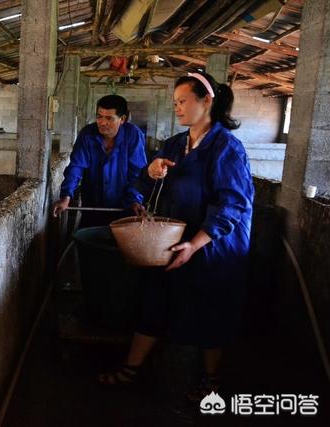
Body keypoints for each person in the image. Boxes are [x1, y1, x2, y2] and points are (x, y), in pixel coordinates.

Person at [98, 72, 254, 400]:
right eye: (174, 103)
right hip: (171, 241)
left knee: (210, 310)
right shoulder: (174, 144)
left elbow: (232, 205)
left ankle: (211, 381)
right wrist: (148, 177)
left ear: (206, 101)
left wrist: (196, 244)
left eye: (182, 101)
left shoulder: (226, 148)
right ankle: (131, 370)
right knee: (156, 298)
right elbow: (145, 179)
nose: (177, 109)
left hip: (212, 247)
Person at [53, 95, 147, 227]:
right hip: (92, 202)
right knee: (90, 239)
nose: (102, 123)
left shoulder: (133, 135)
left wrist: (134, 199)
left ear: (122, 119)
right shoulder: (87, 134)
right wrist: (66, 196)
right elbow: (76, 167)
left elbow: (137, 172)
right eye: (99, 116)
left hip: (124, 205)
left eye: (109, 118)